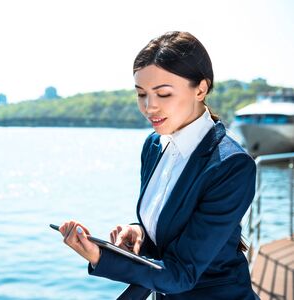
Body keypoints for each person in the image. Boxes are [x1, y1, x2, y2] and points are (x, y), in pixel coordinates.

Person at [58, 31, 259, 299]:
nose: (149, 107)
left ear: (201, 89)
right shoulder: (153, 145)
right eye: (141, 94)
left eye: (163, 94)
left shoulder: (231, 166)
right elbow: (170, 226)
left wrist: (100, 256)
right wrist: (139, 231)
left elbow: (182, 273)